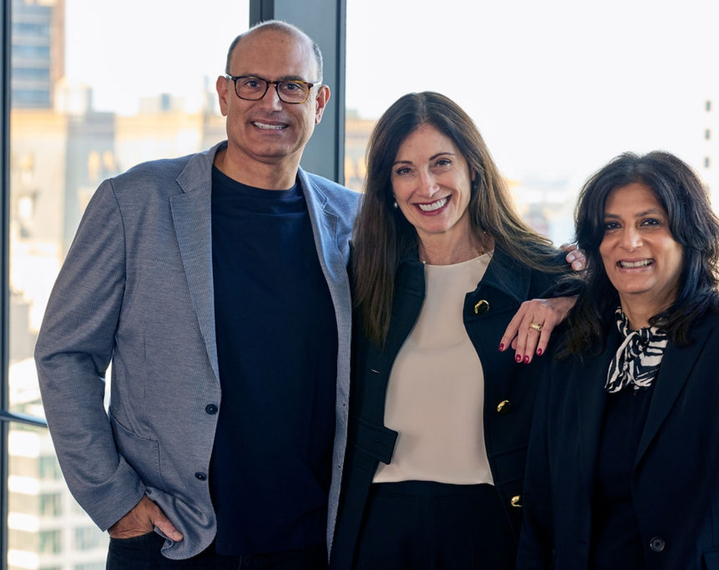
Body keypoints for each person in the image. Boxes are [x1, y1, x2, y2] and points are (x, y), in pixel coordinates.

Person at [35, 20, 360, 568]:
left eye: (292, 86)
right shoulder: (135, 201)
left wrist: (532, 290)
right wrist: (115, 502)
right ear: (224, 94)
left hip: (310, 543)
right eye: (252, 83)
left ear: (319, 102)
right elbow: (65, 353)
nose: (271, 103)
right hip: (170, 536)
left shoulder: (353, 221)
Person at [516, 151, 719, 569]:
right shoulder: (575, 349)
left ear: (688, 233)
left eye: (650, 222)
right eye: (612, 226)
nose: (629, 241)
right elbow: (540, 511)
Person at [329, 92, 577, 570]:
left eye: (441, 163)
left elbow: (624, 313)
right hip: (380, 526)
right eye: (404, 170)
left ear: (473, 169)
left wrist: (572, 299)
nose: (426, 186)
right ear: (388, 187)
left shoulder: (540, 276)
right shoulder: (363, 276)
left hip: (492, 524)